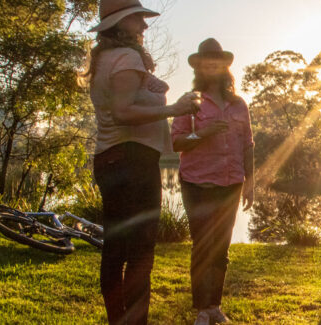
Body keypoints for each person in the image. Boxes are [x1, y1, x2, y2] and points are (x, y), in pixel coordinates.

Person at [83, 1, 200, 324]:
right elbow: (123, 112)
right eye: (138, 19)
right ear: (120, 25)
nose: (145, 27)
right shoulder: (127, 57)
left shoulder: (104, 60)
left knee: (116, 248)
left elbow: (125, 103)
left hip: (110, 158)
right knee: (140, 253)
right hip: (132, 160)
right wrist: (173, 109)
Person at [171, 38, 254, 325]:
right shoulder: (190, 101)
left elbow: (248, 145)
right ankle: (201, 309)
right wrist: (203, 134)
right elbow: (176, 142)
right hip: (197, 183)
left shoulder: (239, 104)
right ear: (200, 68)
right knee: (202, 246)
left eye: (216, 63)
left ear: (224, 67)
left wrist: (250, 181)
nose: (211, 67)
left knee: (221, 249)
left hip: (231, 183)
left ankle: (215, 306)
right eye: (206, 64)